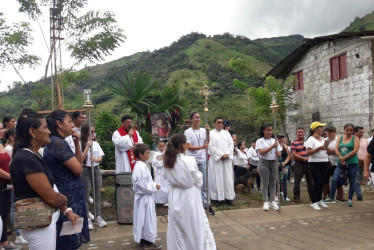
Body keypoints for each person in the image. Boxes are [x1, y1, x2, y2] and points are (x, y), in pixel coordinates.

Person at [10, 110, 79, 250]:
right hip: (39, 223)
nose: (49, 132)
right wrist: (64, 200)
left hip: (43, 222)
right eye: (45, 128)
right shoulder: (27, 159)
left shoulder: (31, 156)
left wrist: (66, 210)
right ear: (32, 131)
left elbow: (51, 188)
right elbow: (51, 197)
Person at [43, 110, 91, 249]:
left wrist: (77, 144)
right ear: (59, 123)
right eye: (69, 122)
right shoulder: (57, 143)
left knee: (71, 236)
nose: (72, 125)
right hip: (68, 196)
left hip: (70, 194)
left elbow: (78, 162)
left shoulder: (58, 142)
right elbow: (78, 170)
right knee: (68, 238)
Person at [163, 134, 216, 250]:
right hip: (189, 195)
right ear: (182, 145)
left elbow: (166, 178)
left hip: (175, 195)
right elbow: (198, 179)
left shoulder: (167, 162)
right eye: (186, 143)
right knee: (193, 223)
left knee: (178, 226)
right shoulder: (189, 160)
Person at [132, 143, 162, 250]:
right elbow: (143, 185)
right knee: (146, 220)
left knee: (145, 219)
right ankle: (147, 241)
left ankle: (145, 239)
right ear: (140, 155)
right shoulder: (140, 167)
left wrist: (153, 185)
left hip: (145, 197)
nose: (148, 155)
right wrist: (155, 186)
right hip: (144, 197)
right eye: (147, 153)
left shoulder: (141, 165)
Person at [184, 112, 214, 214]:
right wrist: (202, 147)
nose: (197, 119)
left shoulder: (203, 130)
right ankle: (194, 204)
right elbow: (189, 147)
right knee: (193, 182)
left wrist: (208, 132)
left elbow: (207, 142)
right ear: (191, 119)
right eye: (195, 117)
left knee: (205, 182)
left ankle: (207, 204)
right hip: (192, 160)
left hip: (202, 159)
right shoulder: (188, 132)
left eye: (199, 117)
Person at [3, 128, 27, 245]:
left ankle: (20, 232)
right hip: (10, 180)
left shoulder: (11, 148)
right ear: (12, 137)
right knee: (13, 208)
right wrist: (12, 178)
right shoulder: (8, 149)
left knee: (14, 207)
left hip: (14, 179)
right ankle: (18, 234)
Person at [80, 124, 107, 230]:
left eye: (93, 131)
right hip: (85, 170)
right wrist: (87, 146)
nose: (93, 134)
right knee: (86, 196)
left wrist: (96, 160)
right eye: (91, 131)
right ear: (86, 132)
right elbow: (80, 159)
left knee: (97, 194)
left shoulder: (96, 144)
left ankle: (98, 216)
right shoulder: (80, 143)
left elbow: (100, 157)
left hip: (96, 169)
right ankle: (86, 218)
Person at [329, 123, 359, 207]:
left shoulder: (355, 138)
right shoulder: (340, 138)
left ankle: (349, 199)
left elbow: (355, 150)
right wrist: (340, 158)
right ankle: (331, 198)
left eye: (351, 130)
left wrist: (344, 158)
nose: (349, 132)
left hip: (352, 163)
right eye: (347, 130)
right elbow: (336, 149)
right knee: (334, 179)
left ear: (353, 131)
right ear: (344, 130)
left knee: (352, 181)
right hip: (340, 163)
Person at [208, 117, 235, 206]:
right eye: (218, 122)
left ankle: (229, 197)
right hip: (217, 160)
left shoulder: (226, 133)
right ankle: (216, 198)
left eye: (222, 122)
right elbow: (210, 146)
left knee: (227, 178)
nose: (220, 124)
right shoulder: (210, 134)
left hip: (226, 159)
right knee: (216, 178)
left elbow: (231, 144)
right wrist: (220, 155)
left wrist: (227, 154)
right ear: (214, 123)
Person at [255, 123, 282, 211]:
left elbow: (279, 153)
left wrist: (278, 154)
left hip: (273, 162)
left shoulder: (274, 141)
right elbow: (262, 152)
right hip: (264, 163)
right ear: (263, 131)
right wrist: (272, 147)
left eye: (271, 130)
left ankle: (273, 201)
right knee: (265, 183)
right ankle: (265, 201)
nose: (270, 132)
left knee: (273, 183)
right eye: (268, 130)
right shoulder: (260, 141)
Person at [305, 122, 330, 211]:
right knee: (316, 182)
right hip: (315, 163)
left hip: (324, 162)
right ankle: (314, 201)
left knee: (322, 182)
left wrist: (328, 149)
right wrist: (319, 148)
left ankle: (319, 199)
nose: (322, 130)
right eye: (321, 128)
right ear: (316, 129)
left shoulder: (323, 139)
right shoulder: (311, 140)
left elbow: (325, 150)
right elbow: (308, 152)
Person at [322, 125, 345, 203]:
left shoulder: (338, 140)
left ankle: (340, 197)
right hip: (326, 163)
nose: (328, 133)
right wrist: (329, 151)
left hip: (336, 163)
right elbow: (323, 151)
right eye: (327, 132)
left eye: (330, 131)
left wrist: (333, 151)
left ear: (334, 132)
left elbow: (341, 150)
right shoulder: (325, 140)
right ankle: (326, 196)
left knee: (339, 181)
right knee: (325, 181)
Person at [290, 127, 313, 203]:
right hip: (298, 164)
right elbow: (293, 154)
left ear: (304, 133)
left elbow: (311, 151)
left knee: (310, 181)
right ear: (296, 133)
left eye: (302, 132)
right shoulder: (294, 142)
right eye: (299, 132)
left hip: (308, 163)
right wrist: (302, 158)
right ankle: (296, 198)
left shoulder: (307, 142)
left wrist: (308, 157)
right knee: (297, 181)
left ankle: (312, 198)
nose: (300, 133)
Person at [353, 126, 368, 201]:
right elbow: (352, 152)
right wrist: (359, 160)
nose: (362, 134)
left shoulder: (365, 141)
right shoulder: (351, 141)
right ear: (355, 133)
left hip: (366, 163)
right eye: (360, 132)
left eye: (363, 132)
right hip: (356, 163)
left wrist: (365, 161)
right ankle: (359, 196)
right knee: (356, 181)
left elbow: (369, 152)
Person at [277, 135, 291, 202]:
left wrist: (285, 162)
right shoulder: (274, 146)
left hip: (284, 165)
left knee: (284, 180)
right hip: (276, 166)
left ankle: (285, 195)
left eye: (281, 138)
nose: (280, 139)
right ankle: (276, 195)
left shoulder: (285, 146)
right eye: (279, 138)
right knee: (276, 180)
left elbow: (289, 156)